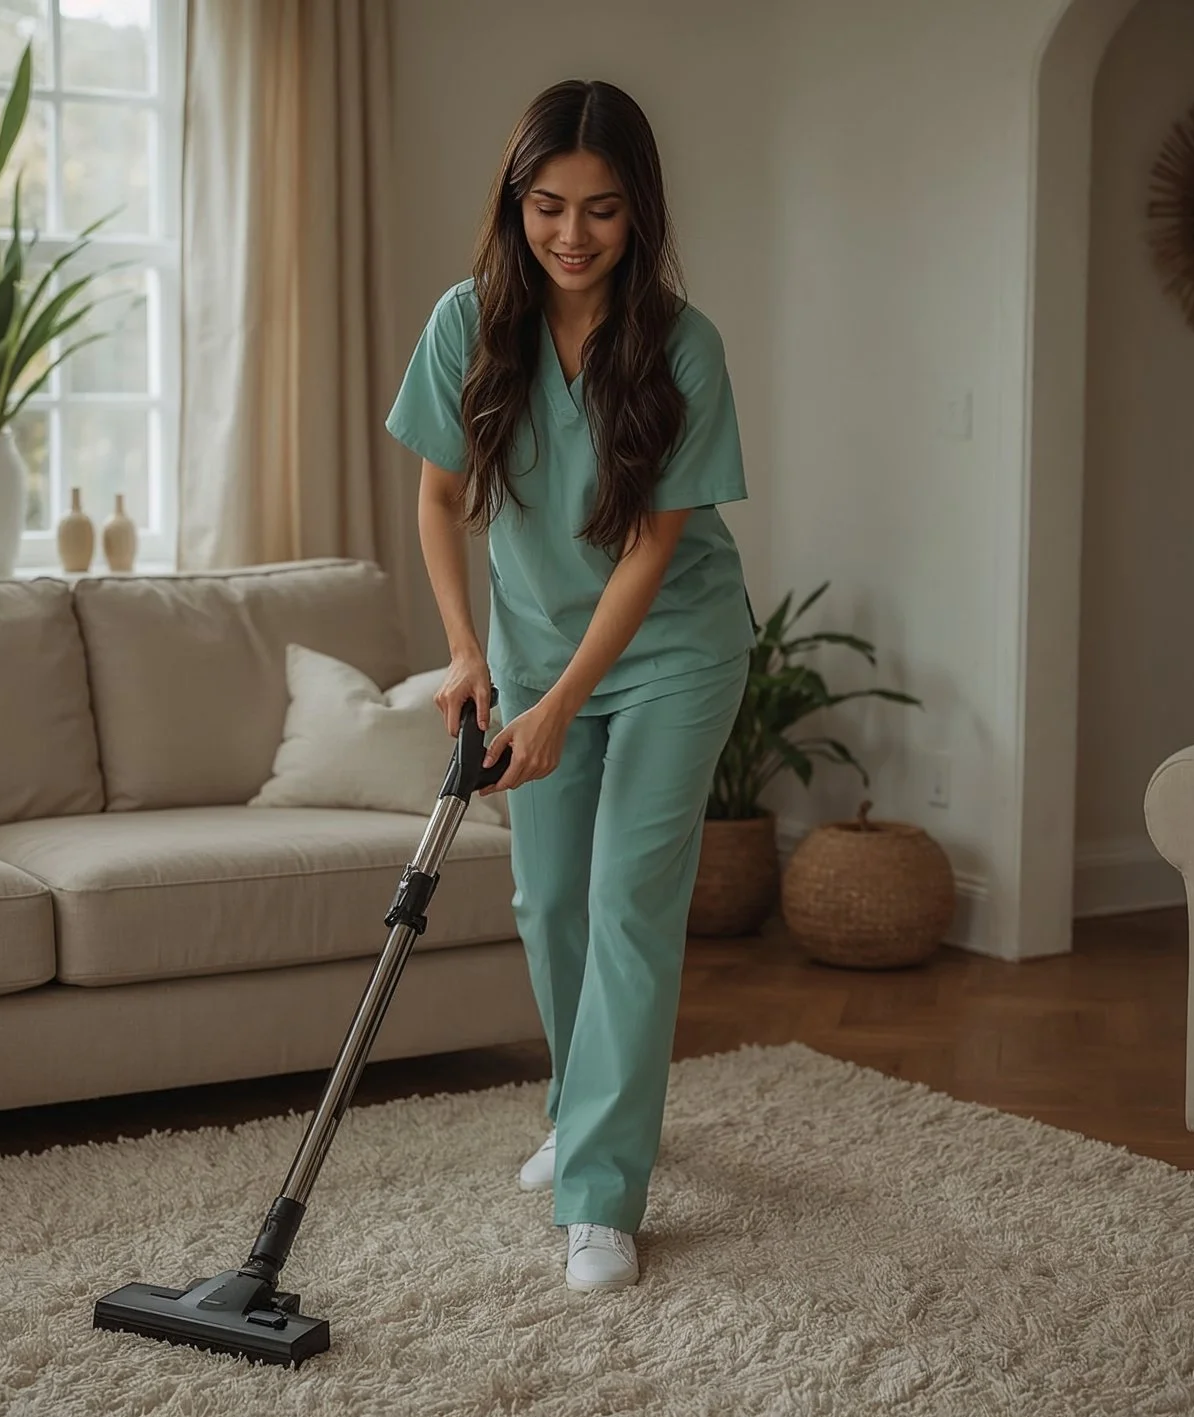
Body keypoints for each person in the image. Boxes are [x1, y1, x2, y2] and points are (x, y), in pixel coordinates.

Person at [385, 77, 755, 1293]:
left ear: (637, 212)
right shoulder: (467, 322)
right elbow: (440, 497)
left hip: (669, 652)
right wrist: (466, 651)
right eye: (549, 205)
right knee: (550, 904)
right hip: (533, 648)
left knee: (630, 902)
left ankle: (601, 1192)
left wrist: (561, 702)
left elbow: (654, 545)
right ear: (516, 200)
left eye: (601, 209)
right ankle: (579, 1108)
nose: (573, 234)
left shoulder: (680, 344)